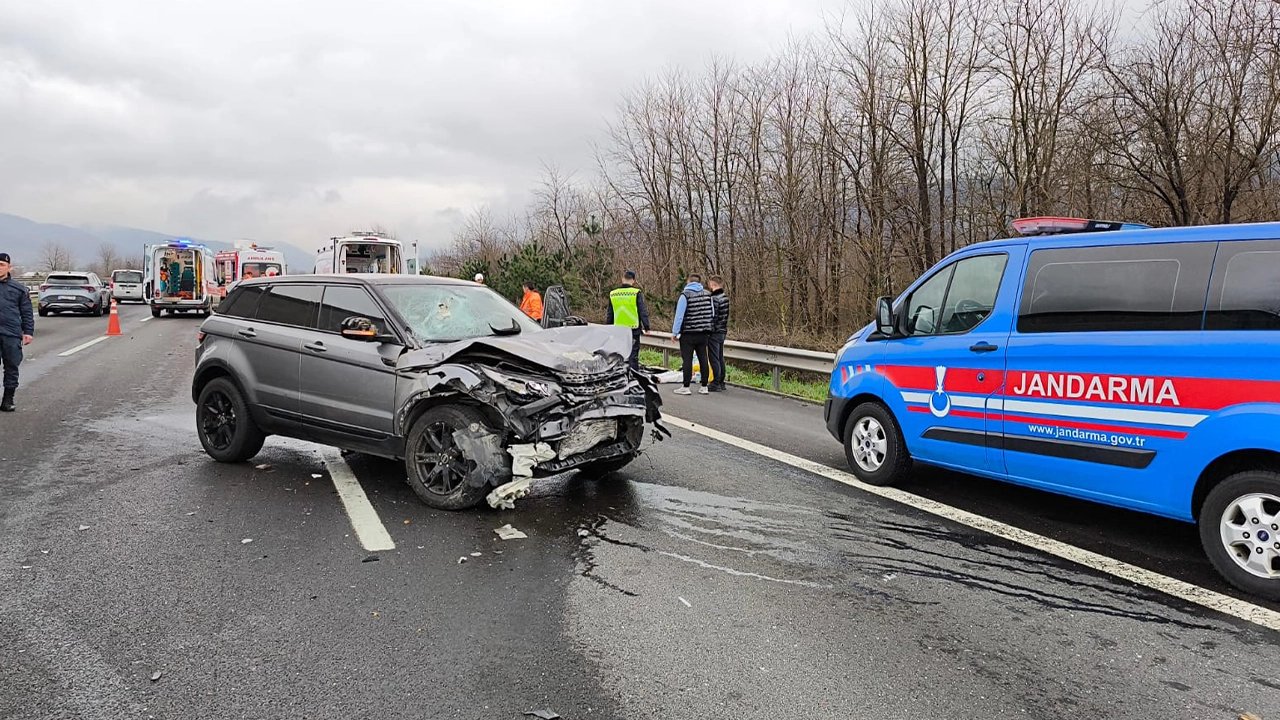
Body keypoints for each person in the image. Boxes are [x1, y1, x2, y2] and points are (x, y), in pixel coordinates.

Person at [0, 253, 35, 412]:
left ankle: (8, 400)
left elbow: (27, 312)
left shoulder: (19, 289)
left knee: (11, 367)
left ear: (9, 267)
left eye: (1, 264)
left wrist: (28, 332)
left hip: (11, 334)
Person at [671, 273, 714, 395]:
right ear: (699, 282)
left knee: (687, 359)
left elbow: (679, 316)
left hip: (688, 333)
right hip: (704, 332)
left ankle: (686, 386)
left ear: (688, 282)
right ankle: (704, 386)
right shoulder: (708, 295)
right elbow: (712, 313)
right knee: (703, 358)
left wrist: (675, 332)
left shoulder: (685, 295)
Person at [605, 270, 651, 371]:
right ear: (633, 280)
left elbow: (610, 313)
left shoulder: (613, 294)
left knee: (619, 354)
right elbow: (642, 310)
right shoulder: (636, 293)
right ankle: (633, 376)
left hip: (618, 330)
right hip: (633, 329)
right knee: (633, 355)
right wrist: (646, 326)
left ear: (622, 279)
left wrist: (608, 327)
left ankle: (619, 375)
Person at [708, 274, 729, 392]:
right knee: (720, 356)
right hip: (722, 330)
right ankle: (721, 381)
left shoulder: (714, 299)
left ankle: (716, 382)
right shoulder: (725, 297)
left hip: (715, 331)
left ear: (713, 284)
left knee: (714, 357)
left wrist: (709, 330)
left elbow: (713, 316)